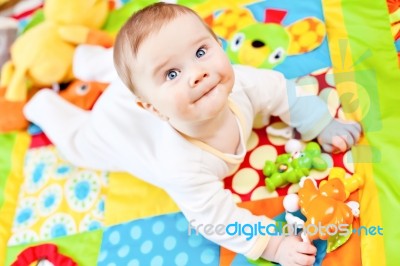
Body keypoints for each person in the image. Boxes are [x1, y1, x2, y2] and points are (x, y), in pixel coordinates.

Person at [24, 3, 361, 265]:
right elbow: (215, 219)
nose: (197, 74)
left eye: (201, 52)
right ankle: (40, 104)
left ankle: (92, 62)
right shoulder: (182, 165)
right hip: (117, 125)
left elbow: (281, 92)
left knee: (130, 69)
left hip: (136, 95)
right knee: (77, 143)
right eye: (172, 73)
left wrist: (321, 124)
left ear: (218, 44)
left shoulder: (241, 82)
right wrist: (272, 245)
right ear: (154, 109)